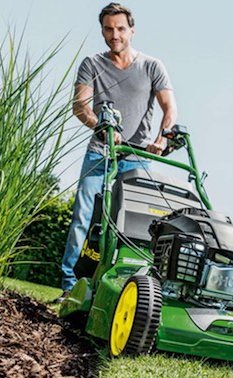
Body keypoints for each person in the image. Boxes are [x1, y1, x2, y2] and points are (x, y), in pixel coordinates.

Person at [55, 2, 177, 303]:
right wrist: (101, 127)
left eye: (120, 28)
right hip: (100, 152)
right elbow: (80, 106)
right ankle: (69, 286)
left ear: (131, 31)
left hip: (135, 156)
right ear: (102, 31)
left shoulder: (152, 66)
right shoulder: (92, 64)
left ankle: (126, 288)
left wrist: (162, 138)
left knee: (133, 224)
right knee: (83, 216)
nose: (115, 35)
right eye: (108, 29)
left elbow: (169, 108)